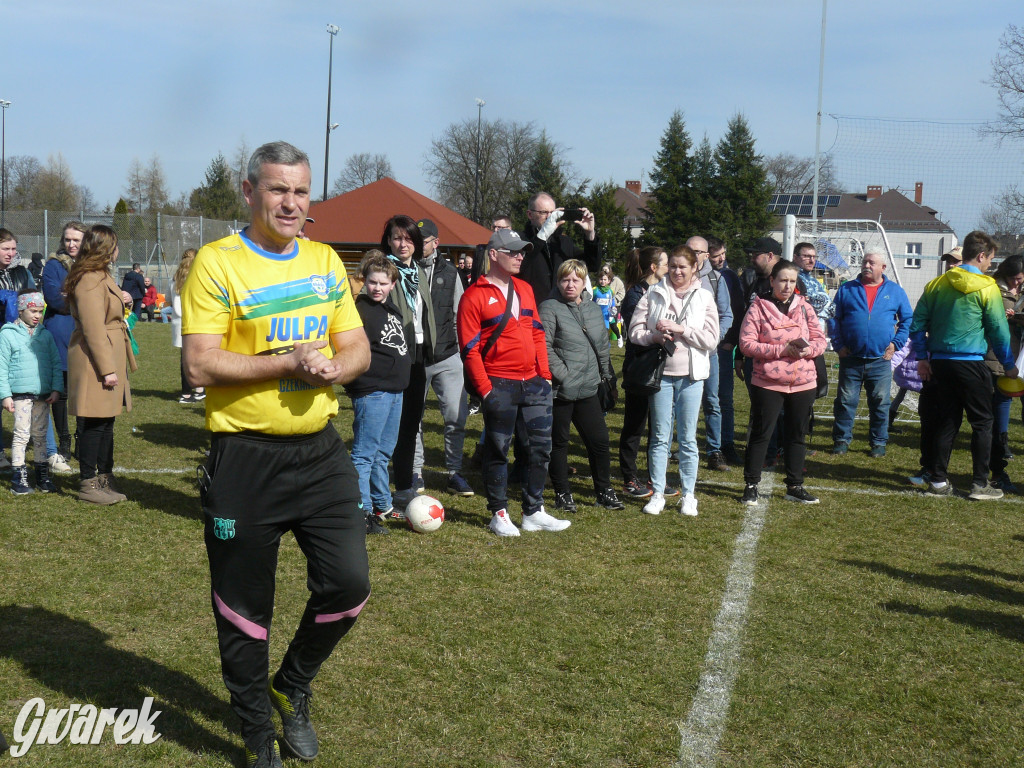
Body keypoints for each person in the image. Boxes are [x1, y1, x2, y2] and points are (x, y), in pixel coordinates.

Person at [181, 141, 371, 767]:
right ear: (249, 192)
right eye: (277, 190)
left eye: (300, 191)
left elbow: (358, 351)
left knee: (349, 587)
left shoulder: (324, 262)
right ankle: (259, 737)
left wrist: (331, 367)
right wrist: (288, 361)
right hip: (244, 459)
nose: (290, 203)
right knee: (244, 612)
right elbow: (201, 363)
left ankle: (291, 685)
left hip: (320, 454)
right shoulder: (217, 262)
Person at [457, 227, 571, 536]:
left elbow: (537, 332)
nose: (520, 256)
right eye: (513, 251)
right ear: (494, 255)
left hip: (534, 383)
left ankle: (533, 510)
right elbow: (470, 349)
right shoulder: (473, 296)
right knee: (498, 449)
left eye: (522, 251)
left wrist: (544, 376)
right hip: (499, 384)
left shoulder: (525, 288)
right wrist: (486, 390)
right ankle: (499, 513)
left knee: (540, 449)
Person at [910, 230, 1015, 500]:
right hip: (971, 363)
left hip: (941, 363)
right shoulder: (988, 287)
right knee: (983, 423)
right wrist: (1009, 365)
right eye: (990, 259)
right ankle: (980, 484)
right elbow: (999, 331)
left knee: (947, 421)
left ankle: (938, 481)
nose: (990, 265)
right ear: (981, 256)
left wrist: (922, 357)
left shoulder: (937, 284)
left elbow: (917, 324)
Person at [629, 245, 719, 517]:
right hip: (661, 375)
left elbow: (712, 339)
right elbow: (634, 331)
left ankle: (689, 495)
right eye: (673, 266)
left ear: (695, 268)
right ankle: (658, 492)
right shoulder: (653, 293)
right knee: (659, 436)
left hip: (691, 377)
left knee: (688, 438)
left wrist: (683, 330)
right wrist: (654, 337)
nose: (677, 271)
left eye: (683, 266)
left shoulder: (704, 297)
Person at [738, 259, 827, 506]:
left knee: (796, 435)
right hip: (767, 382)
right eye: (782, 280)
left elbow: (820, 340)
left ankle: (795, 486)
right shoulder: (758, 307)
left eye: (791, 281)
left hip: (803, 382)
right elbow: (746, 344)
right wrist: (782, 350)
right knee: (761, 434)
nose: (787, 286)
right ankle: (751, 484)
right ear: (772, 281)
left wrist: (807, 351)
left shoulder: (806, 308)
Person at [541, 259, 624, 513]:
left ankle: (604, 490)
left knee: (599, 441)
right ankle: (563, 493)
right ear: (558, 281)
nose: (570, 284)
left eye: (576, 279)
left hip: (588, 387)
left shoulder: (591, 309)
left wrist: (605, 374)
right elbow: (544, 346)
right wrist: (564, 375)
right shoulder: (549, 307)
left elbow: (601, 345)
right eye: (565, 279)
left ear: (584, 282)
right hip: (561, 390)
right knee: (559, 443)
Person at [66, 225, 137, 505]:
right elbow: (94, 327)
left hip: (108, 353)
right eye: (115, 245)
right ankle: (88, 483)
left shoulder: (100, 276)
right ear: (105, 248)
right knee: (94, 422)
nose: (118, 251)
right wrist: (107, 369)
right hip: (96, 359)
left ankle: (104, 477)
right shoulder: (89, 279)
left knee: (106, 422)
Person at [346, 253, 411, 535]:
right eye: (372, 282)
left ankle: (382, 505)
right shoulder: (359, 309)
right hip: (373, 391)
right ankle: (360, 512)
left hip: (395, 391)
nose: (377, 288)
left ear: (393, 284)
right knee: (364, 454)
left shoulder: (392, 308)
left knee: (383, 453)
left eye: (383, 283)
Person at [411, 218, 473, 498]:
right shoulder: (402, 270)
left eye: (421, 240)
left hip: (448, 356)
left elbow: (461, 315)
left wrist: (462, 354)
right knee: (413, 418)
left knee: (455, 416)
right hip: (414, 359)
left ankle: (454, 473)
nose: (414, 244)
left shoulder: (450, 273)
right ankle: (414, 472)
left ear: (435, 242)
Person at [829, 251, 913, 457]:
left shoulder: (895, 291)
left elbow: (907, 320)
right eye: (865, 261)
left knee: (880, 402)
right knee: (846, 400)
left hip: (880, 360)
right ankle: (841, 440)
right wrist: (838, 345)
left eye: (872, 262)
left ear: (883, 267)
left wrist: (896, 344)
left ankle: (878, 443)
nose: (866, 265)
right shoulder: (846, 289)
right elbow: (833, 318)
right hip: (851, 359)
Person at [379, 215, 436, 512]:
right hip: (392, 355)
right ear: (388, 240)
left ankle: (402, 488)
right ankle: (374, 495)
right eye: (398, 238)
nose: (403, 244)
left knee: (410, 425)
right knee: (386, 426)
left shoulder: (418, 272)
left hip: (418, 356)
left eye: (409, 239)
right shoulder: (382, 272)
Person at [619, 246, 669, 500]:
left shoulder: (663, 291)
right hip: (640, 367)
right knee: (635, 425)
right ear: (653, 267)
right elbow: (635, 332)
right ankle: (629, 478)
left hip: (660, 366)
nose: (670, 269)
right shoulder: (635, 294)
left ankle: (655, 476)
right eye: (666, 264)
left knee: (658, 426)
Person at [0, 290, 62, 494]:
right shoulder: (8, 334)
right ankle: (19, 477)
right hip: (20, 395)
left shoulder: (45, 335)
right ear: (21, 309)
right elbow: (2, 367)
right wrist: (5, 395)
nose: (37, 315)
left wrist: (55, 388)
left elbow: (55, 363)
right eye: (32, 310)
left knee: (40, 435)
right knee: (21, 435)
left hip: (43, 396)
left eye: (40, 311)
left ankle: (42, 476)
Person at [686, 235, 734, 472]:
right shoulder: (674, 277)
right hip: (681, 352)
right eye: (690, 250)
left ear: (707, 255)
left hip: (709, 352)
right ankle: (684, 447)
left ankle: (714, 451)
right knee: (681, 400)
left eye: (699, 252)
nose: (695, 256)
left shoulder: (716, 280)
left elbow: (727, 315)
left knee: (712, 402)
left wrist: (715, 338)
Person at [42, 221, 85, 464]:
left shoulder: (91, 265)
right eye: (67, 239)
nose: (71, 244)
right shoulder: (53, 265)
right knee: (61, 391)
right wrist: (82, 300)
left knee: (82, 391)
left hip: (84, 335)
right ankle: (65, 440)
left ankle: (81, 439)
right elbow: (55, 299)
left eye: (76, 240)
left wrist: (72, 296)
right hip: (59, 334)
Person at [986, 254, 1024, 491]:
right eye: (1013, 279)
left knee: (1003, 402)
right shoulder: (993, 290)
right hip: (995, 357)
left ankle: (1002, 443)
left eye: (1020, 280)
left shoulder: (1020, 291)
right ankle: (997, 453)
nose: (1016, 285)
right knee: (994, 405)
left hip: (1014, 357)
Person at [0, 229, 37, 470]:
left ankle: (46, 451)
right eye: (5, 249)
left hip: (17, 342)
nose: (11, 254)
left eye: (13, 249)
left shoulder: (22, 273)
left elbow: (33, 299)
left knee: (24, 396)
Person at [520, 192, 601, 302]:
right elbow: (520, 266)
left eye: (552, 213)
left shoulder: (563, 242)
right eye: (544, 212)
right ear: (530, 214)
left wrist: (590, 234)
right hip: (532, 307)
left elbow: (592, 265)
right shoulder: (521, 240)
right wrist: (542, 236)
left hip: (561, 308)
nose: (549, 217)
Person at [708, 236, 744, 465]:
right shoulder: (697, 277)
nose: (721, 259)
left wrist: (730, 340)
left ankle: (726, 444)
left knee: (724, 398)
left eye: (723, 254)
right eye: (715, 255)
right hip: (697, 344)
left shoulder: (730, 277)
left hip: (722, 346)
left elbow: (737, 311)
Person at [171, 249, 205, 404]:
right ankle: (195, 391)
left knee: (185, 359)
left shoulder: (175, 279)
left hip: (178, 323)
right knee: (199, 357)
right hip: (195, 322)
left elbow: (167, 298)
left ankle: (189, 392)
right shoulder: (198, 277)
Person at [592, 267, 621, 347]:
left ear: (609, 281)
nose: (603, 281)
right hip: (596, 316)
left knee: (606, 332)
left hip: (606, 315)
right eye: (601, 279)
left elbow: (612, 301)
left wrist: (613, 307)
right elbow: (590, 301)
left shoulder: (611, 291)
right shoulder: (594, 290)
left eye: (605, 279)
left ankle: (607, 348)